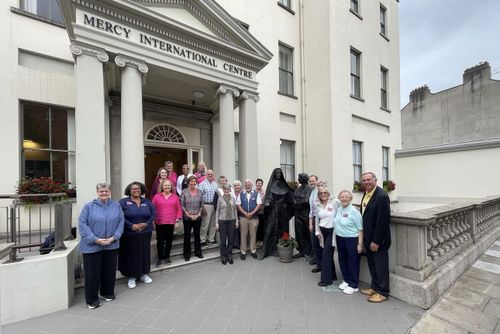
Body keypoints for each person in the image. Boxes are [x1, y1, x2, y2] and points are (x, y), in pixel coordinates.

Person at [79, 182, 124, 309]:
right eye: (101, 191)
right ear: (97, 192)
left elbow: (121, 221)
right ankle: (92, 299)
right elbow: (82, 224)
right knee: (92, 273)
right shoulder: (88, 207)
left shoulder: (116, 206)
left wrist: (114, 237)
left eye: (106, 191)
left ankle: (107, 292)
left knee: (109, 271)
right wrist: (96, 240)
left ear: (110, 192)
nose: (104, 193)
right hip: (92, 246)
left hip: (111, 244)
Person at [359, 172, 391, 303]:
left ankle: (383, 292)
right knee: (372, 264)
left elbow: (383, 221)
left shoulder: (382, 196)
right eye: (364, 180)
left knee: (380, 266)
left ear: (375, 180)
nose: (366, 182)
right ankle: (374, 287)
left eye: (369, 180)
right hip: (368, 237)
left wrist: (376, 241)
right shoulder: (366, 194)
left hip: (378, 241)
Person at [119, 182, 156, 289]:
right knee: (131, 254)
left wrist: (146, 224)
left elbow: (154, 213)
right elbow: (119, 216)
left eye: (138, 188)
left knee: (144, 253)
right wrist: (131, 226)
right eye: (134, 188)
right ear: (129, 191)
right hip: (129, 233)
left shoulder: (147, 201)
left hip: (145, 232)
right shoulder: (123, 202)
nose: (136, 190)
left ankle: (143, 274)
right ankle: (131, 276)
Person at [259, 168, 294, 260]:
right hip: (273, 210)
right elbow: (269, 196)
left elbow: (289, 196)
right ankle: (266, 250)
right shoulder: (271, 186)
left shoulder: (285, 185)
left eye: (279, 173)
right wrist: (268, 202)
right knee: (269, 229)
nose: (278, 174)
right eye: (276, 173)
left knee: (283, 229)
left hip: (284, 210)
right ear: (274, 174)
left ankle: (284, 248)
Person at [334, 190, 364, 295]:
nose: (344, 198)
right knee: (342, 260)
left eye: (347, 197)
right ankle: (346, 280)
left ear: (350, 198)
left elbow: (360, 229)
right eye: (342, 197)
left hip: (352, 239)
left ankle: (353, 284)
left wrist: (360, 244)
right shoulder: (339, 209)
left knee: (353, 262)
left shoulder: (354, 211)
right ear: (339, 198)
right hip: (340, 238)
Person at [314, 186, 341, 287]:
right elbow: (317, 219)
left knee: (326, 254)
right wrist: (317, 232)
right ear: (319, 195)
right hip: (322, 232)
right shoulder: (318, 205)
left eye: (325, 192)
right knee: (327, 254)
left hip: (331, 232)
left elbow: (345, 203)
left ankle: (326, 279)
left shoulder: (334, 203)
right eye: (321, 193)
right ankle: (332, 275)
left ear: (328, 193)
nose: (323, 194)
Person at [152, 179, 182, 267]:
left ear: (171, 187)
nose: (167, 187)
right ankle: (160, 258)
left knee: (169, 241)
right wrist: (153, 220)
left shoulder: (175, 197)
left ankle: (167, 257)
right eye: (165, 185)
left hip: (171, 222)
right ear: (162, 186)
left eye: (169, 185)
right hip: (159, 222)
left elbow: (178, 209)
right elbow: (152, 209)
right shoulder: (157, 197)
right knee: (160, 241)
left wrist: (177, 221)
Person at [236, 179, 262, 260]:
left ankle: (253, 251)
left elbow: (259, 205)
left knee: (253, 235)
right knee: (243, 235)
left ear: (251, 185)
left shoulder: (256, 194)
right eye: (246, 185)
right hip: (243, 218)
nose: (247, 186)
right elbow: (238, 205)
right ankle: (243, 252)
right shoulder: (241, 194)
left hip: (254, 218)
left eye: (249, 185)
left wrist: (251, 213)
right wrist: (245, 213)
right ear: (245, 185)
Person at [180, 175, 204, 261]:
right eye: (191, 181)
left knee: (197, 235)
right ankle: (187, 254)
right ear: (188, 183)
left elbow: (202, 204)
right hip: (187, 218)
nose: (193, 183)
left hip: (198, 217)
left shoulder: (200, 192)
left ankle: (198, 252)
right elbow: (182, 205)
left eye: (194, 181)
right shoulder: (184, 192)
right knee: (187, 235)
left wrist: (199, 214)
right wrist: (188, 214)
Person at [215, 185, 239, 265]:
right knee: (223, 241)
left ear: (230, 190)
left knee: (231, 240)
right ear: (223, 190)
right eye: (225, 189)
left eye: (228, 189)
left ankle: (229, 256)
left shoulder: (233, 198)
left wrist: (236, 221)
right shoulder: (220, 199)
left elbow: (235, 210)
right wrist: (216, 223)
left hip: (232, 221)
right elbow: (217, 211)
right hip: (222, 221)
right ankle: (223, 256)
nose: (226, 191)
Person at [293, 173, 313, 259]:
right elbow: (294, 199)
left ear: (303, 179)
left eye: (299, 178)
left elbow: (306, 200)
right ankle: (301, 250)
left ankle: (309, 251)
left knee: (306, 233)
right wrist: (296, 203)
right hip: (298, 214)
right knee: (299, 233)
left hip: (305, 214)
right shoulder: (297, 189)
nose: (298, 179)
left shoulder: (309, 189)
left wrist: (297, 203)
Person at [198, 170, 218, 245]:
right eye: (208, 174)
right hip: (206, 205)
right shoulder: (202, 184)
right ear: (206, 175)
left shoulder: (215, 184)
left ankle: (211, 239)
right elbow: (199, 197)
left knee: (213, 223)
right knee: (205, 223)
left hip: (214, 205)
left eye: (211, 174)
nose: (210, 175)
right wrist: (202, 207)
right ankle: (202, 239)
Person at [308, 176, 323, 272]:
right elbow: (312, 209)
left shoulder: (321, 193)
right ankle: (318, 261)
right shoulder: (312, 191)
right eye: (310, 181)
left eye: (313, 181)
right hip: (314, 218)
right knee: (315, 243)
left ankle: (321, 264)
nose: (311, 182)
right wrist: (310, 223)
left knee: (320, 243)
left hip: (322, 220)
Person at [255, 178, 266, 248]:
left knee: (261, 227)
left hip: (262, 212)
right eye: (258, 183)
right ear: (256, 184)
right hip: (254, 212)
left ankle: (261, 241)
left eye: (260, 183)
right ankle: (256, 241)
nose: (259, 184)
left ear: (262, 184)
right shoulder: (253, 191)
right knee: (255, 227)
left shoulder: (264, 192)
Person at [232, 180, 242, 249]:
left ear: (240, 186)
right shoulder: (231, 194)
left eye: (238, 185)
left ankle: (240, 243)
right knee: (234, 228)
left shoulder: (243, 193)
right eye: (235, 185)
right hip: (233, 213)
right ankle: (234, 243)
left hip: (241, 213)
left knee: (241, 228)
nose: (237, 186)